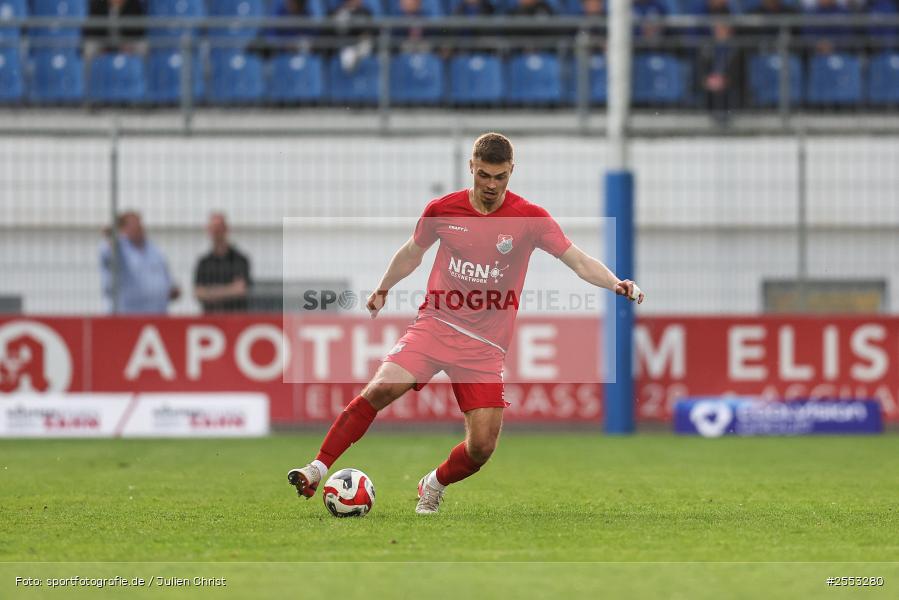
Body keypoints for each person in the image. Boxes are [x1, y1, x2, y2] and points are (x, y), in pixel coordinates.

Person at [287, 133, 645, 515]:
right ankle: (317, 467)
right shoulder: (444, 210)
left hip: (484, 347)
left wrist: (614, 282)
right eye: (485, 175)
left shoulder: (530, 219)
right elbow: (412, 252)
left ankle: (434, 483)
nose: (492, 185)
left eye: (501, 177)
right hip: (436, 324)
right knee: (378, 390)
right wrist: (383, 288)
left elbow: (577, 259)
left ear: (512, 172)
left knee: (482, 447)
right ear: (471, 167)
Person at [99, 211, 180, 314]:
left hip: (157, 315)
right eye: (133, 225)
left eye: (139, 224)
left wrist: (170, 288)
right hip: (126, 315)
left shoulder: (154, 250)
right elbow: (108, 257)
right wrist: (111, 237)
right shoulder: (117, 249)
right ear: (122, 229)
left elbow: (164, 274)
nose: (139, 227)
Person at [194, 213, 252, 313]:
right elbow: (199, 293)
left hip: (236, 316)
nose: (216, 233)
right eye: (214, 229)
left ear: (226, 230)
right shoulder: (204, 262)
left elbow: (241, 290)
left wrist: (210, 292)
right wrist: (229, 290)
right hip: (211, 319)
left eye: (219, 229)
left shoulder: (239, 260)